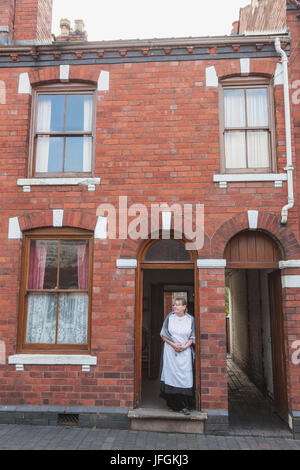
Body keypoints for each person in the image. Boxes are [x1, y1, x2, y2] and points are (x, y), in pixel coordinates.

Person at [159, 297, 195, 415]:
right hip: (170, 351)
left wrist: (184, 347)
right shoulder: (169, 318)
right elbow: (163, 334)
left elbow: (193, 337)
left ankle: (185, 405)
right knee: (171, 375)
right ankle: (173, 404)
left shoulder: (190, 319)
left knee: (185, 377)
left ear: (184, 307)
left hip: (185, 352)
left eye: (178, 305)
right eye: (174, 305)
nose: (175, 307)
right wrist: (173, 345)